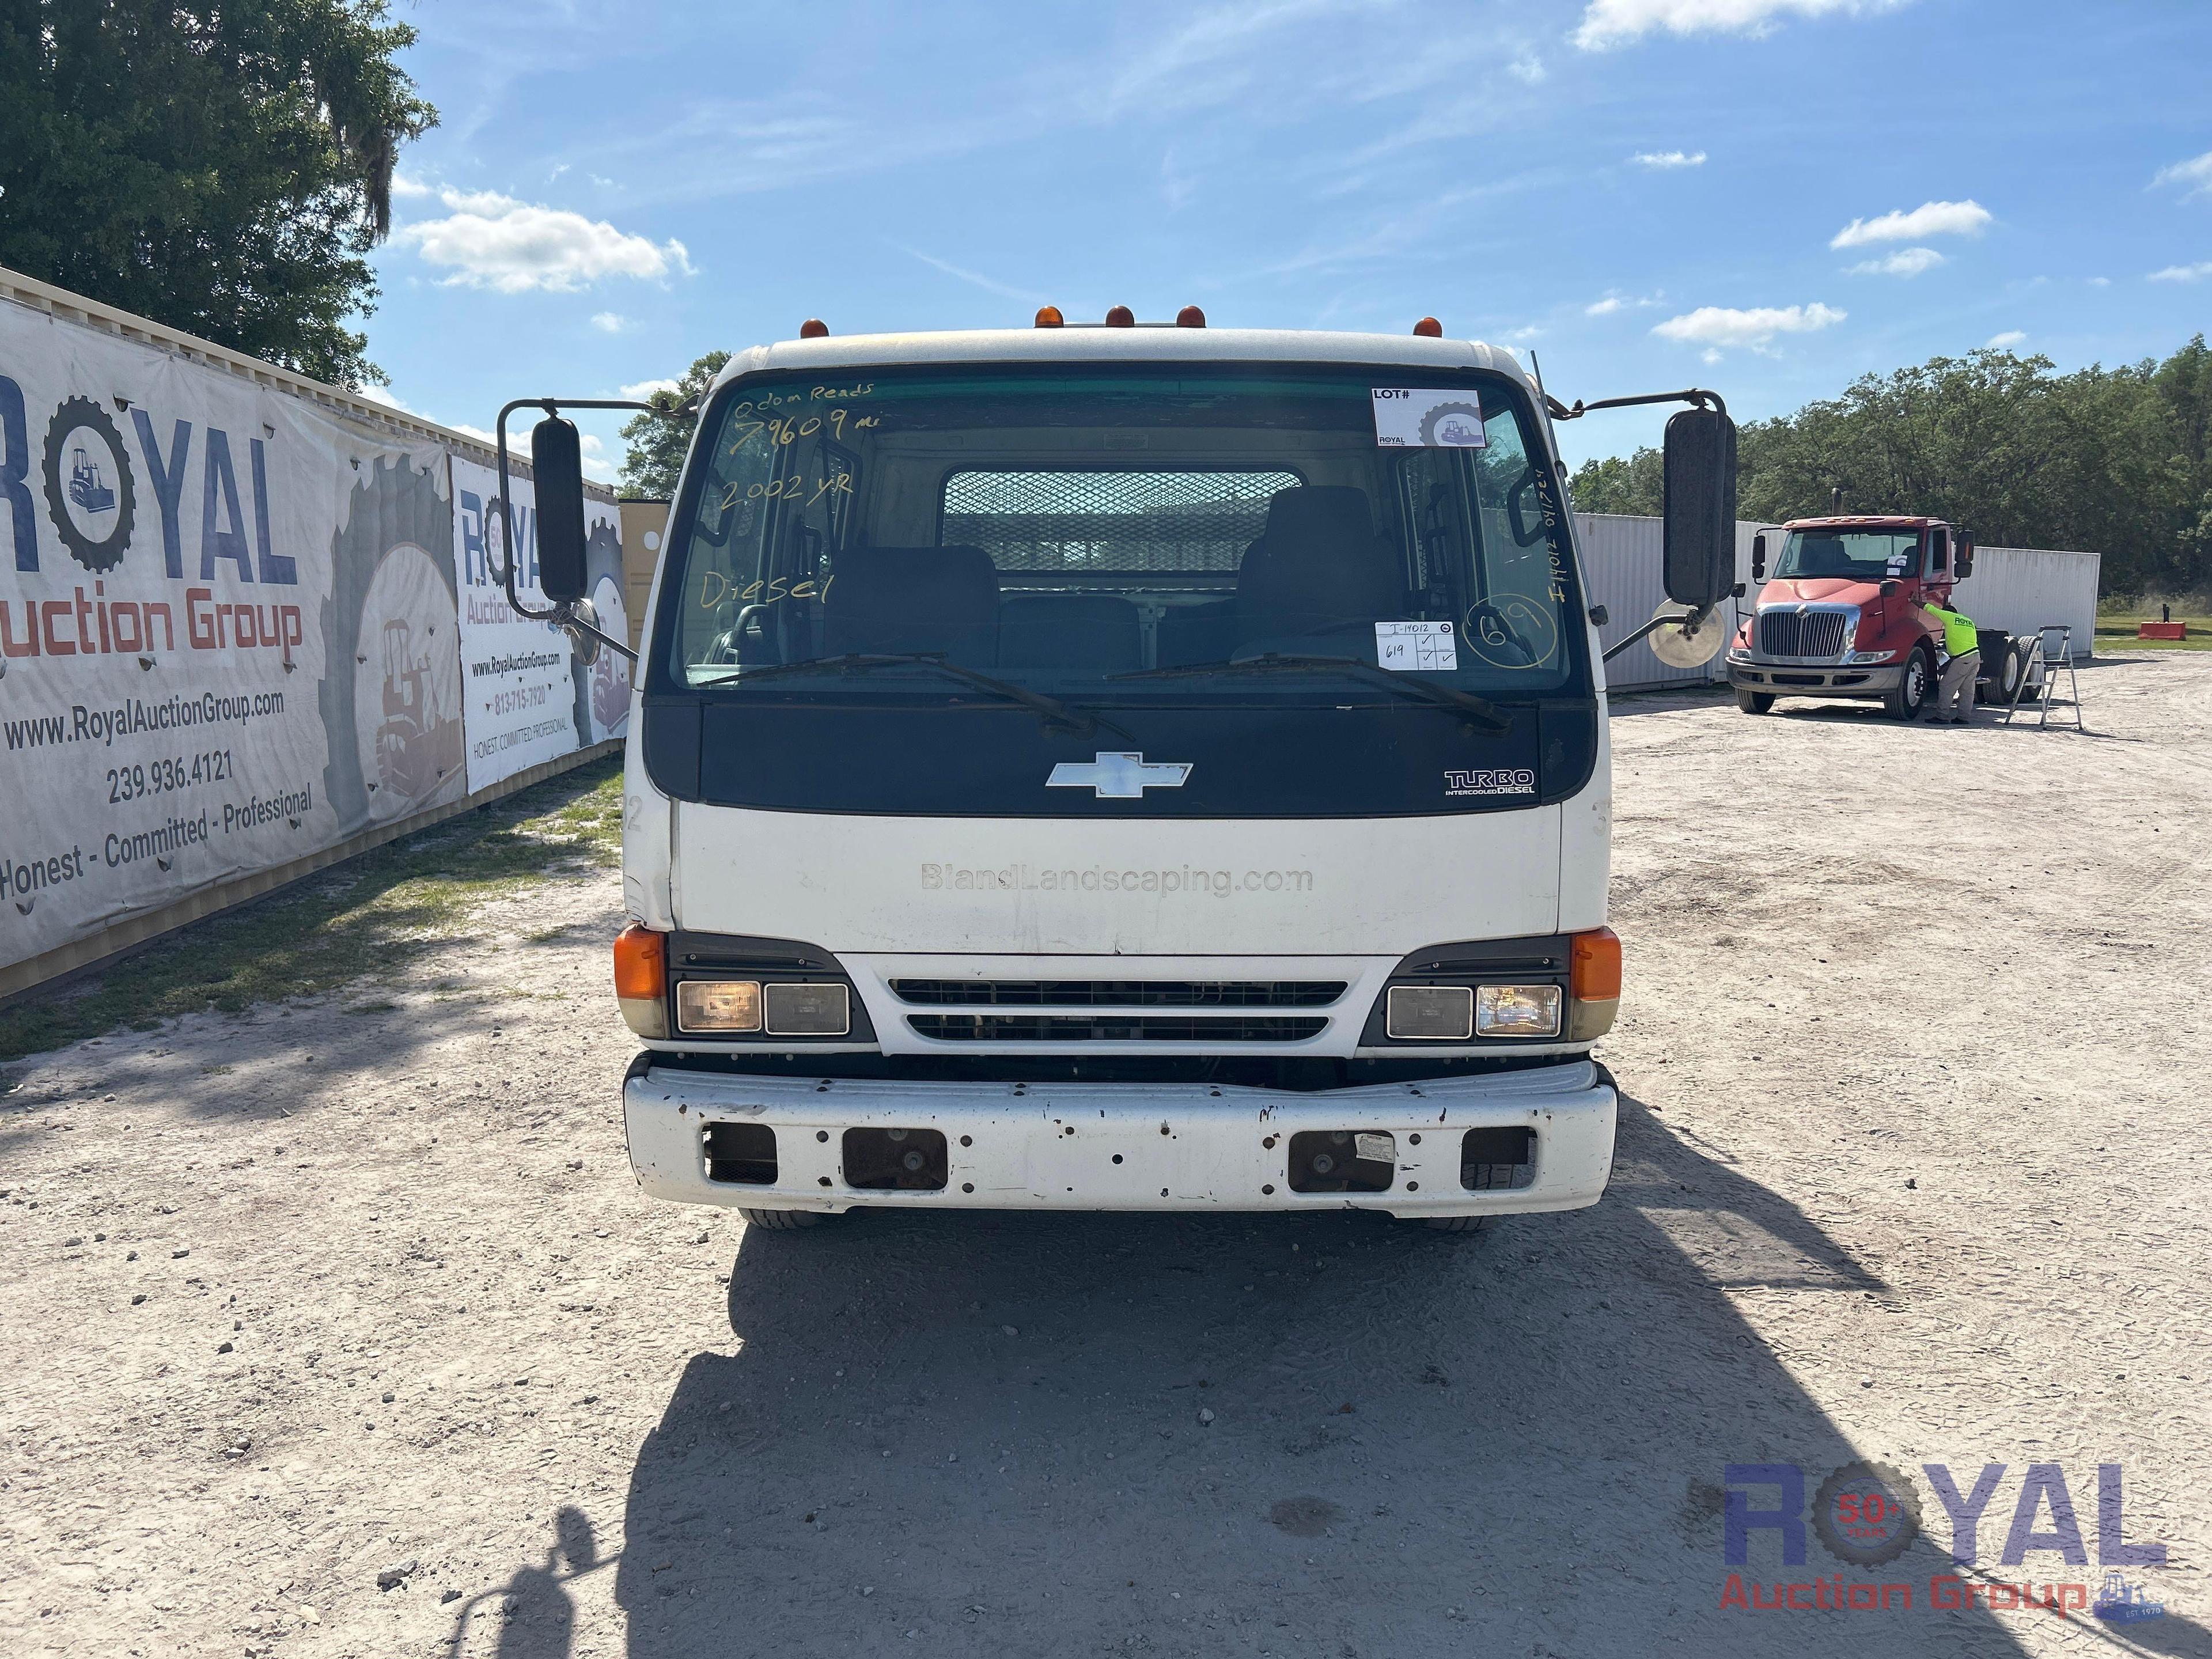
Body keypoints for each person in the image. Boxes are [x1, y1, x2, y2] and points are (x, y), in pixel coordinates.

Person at [1921, 594, 1979, 724]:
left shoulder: (1949, 617)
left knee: (1947, 687)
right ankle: (1963, 718)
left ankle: (1942, 716)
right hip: (1975, 656)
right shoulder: (1968, 621)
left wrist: (1912, 601)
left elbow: (1929, 609)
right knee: (1967, 690)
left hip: (1962, 658)